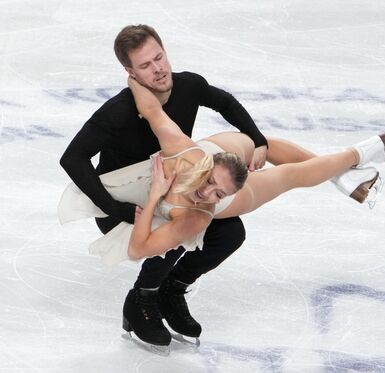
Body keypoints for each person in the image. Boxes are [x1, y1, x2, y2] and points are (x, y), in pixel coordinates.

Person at [59, 75, 385, 345]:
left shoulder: (203, 212)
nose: (204, 193)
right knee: (258, 145)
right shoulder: (186, 152)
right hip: (207, 154)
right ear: (206, 164)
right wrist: (135, 78)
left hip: (228, 179)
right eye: (208, 181)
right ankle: (143, 298)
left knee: (276, 188)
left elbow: (138, 248)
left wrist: (360, 152)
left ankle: (168, 290)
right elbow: (152, 110)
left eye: (215, 193)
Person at [59, 24, 270, 347]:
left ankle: (172, 289)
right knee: (178, 227)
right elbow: (72, 158)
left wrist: (257, 139)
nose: (158, 69)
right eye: (145, 65)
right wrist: (114, 207)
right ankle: (141, 299)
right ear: (130, 71)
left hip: (172, 191)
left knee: (230, 234)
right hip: (124, 204)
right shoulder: (119, 111)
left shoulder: (188, 86)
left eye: (159, 57)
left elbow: (225, 102)